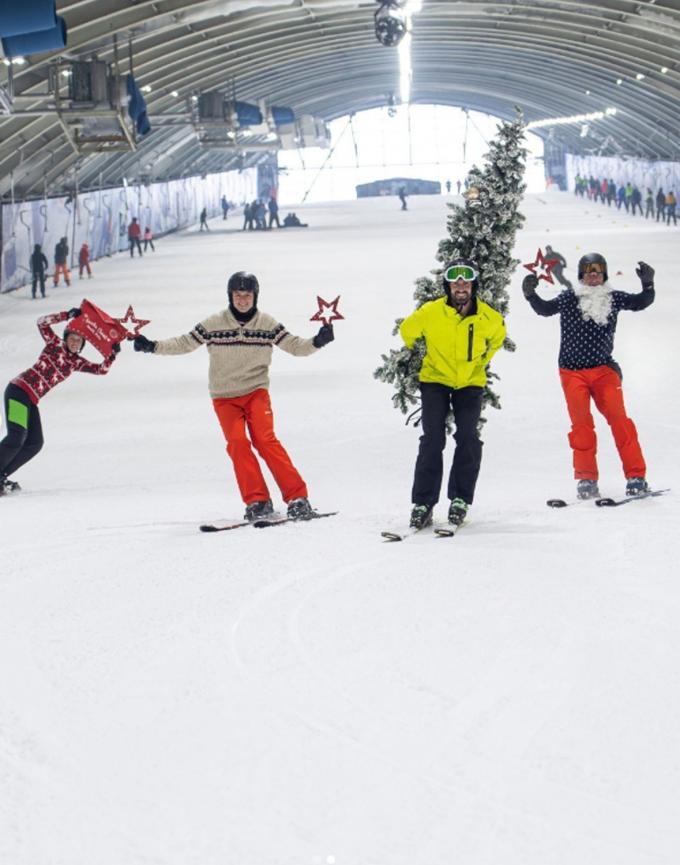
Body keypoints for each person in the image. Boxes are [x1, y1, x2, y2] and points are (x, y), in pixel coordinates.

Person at [133, 272, 335, 521]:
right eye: (237, 295)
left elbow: (295, 346)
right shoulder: (214, 323)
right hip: (224, 396)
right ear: (230, 296)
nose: (242, 300)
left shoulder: (267, 324)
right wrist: (152, 346)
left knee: (265, 439)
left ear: (255, 297)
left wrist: (318, 341)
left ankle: (297, 497)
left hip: (255, 392)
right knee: (237, 444)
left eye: (247, 295)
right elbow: (185, 343)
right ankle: (258, 501)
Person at [522, 253, 655, 499]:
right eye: (588, 270)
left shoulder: (613, 298)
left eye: (598, 270)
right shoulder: (569, 298)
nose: (593, 274)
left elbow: (641, 302)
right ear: (581, 275)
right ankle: (586, 479)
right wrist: (531, 294)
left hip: (604, 371)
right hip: (572, 373)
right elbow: (544, 309)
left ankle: (636, 476)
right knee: (581, 426)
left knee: (620, 421)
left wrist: (648, 284)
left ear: (604, 275)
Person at [399, 258, 506, 529]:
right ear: (447, 285)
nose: (461, 284)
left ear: (473, 285)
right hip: (435, 379)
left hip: (470, 382)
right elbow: (408, 331)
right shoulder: (431, 311)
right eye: (455, 279)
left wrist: (481, 361)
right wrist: (421, 354)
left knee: (468, 437)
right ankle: (423, 503)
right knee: (432, 439)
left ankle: (460, 499)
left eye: (466, 279)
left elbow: (498, 337)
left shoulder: (487, 316)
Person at [0, 309, 119, 495]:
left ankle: (2, 475)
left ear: (82, 345)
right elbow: (41, 322)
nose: (74, 342)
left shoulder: (76, 362)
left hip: (31, 400)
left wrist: (111, 355)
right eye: (71, 338)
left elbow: (100, 370)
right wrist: (66, 315)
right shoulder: (54, 344)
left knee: (34, 443)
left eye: (78, 341)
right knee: (16, 437)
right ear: (65, 338)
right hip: (18, 391)